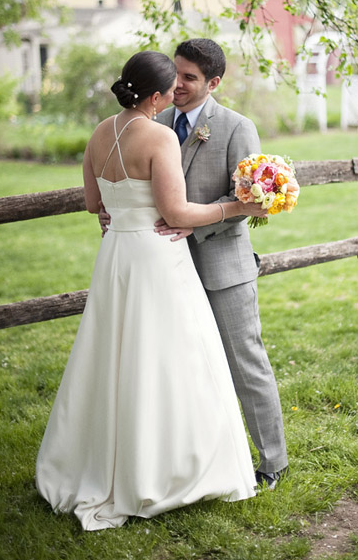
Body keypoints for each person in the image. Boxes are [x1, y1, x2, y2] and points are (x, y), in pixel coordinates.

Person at [36, 51, 268, 531]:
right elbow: (177, 214)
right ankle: (165, 468)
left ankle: (106, 460)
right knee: (170, 357)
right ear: (158, 96)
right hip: (158, 258)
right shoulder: (160, 135)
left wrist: (118, 214)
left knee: (115, 357)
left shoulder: (100, 132)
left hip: (116, 257)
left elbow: (92, 203)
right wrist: (235, 207)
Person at [100, 38, 288, 489]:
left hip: (222, 267)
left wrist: (192, 226)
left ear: (214, 83)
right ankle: (190, 460)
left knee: (246, 361)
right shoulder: (152, 120)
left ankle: (272, 461)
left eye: (189, 78)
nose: (177, 84)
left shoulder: (236, 127)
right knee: (176, 365)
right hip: (163, 271)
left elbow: (248, 199)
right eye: (175, 74)